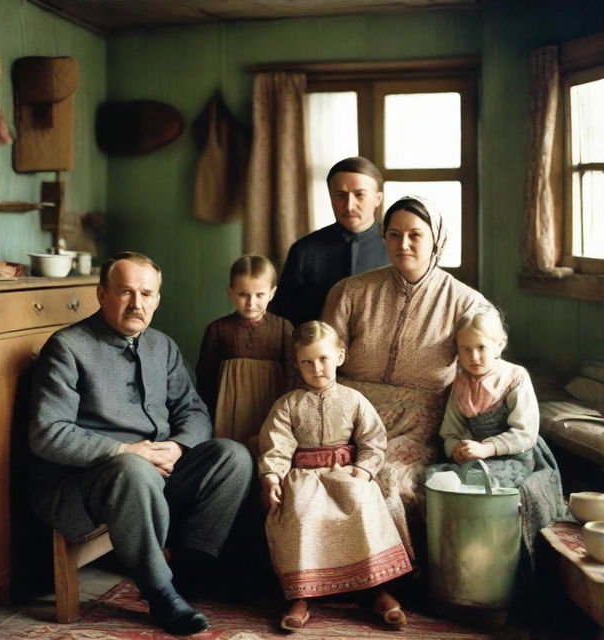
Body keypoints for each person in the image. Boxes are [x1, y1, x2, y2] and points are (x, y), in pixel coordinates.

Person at [28, 251, 253, 636]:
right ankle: (159, 593)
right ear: (101, 294)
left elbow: (194, 411)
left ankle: (190, 571)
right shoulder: (67, 347)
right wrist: (125, 451)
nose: (137, 304)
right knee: (134, 471)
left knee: (233, 456)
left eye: (147, 294)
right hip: (86, 484)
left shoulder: (161, 346)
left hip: (158, 470)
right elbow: (47, 433)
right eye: (125, 292)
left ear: (157, 299)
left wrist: (179, 447)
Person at [321, 196, 491, 558]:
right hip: (347, 415)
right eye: (394, 234)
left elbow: (482, 372)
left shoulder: (466, 304)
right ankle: (324, 575)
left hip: (416, 423)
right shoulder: (350, 292)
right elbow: (320, 360)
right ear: (383, 237)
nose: (404, 244)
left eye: (415, 235)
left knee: (386, 479)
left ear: (437, 240)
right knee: (315, 472)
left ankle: (389, 579)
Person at [258, 321, 412, 631]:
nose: (317, 368)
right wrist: (272, 477)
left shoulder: (354, 400)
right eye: (307, 362)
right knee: (300, 512)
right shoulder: (288, 404)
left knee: (361, 500)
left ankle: (375, 590)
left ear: (339, 356)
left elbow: (373, 440)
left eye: (324, 358)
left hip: (346, 473)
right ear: (298, 363)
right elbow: (276, 445)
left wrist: (365, 468)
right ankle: (300, 596)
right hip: (305, 476)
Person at [428, 311, 566, 565]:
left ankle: (493, 556)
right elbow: (449, 431)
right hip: (479, 456)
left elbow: (525, 432)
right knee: (434, 479)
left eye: (481, 347)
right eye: (465, 349)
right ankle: (458, 557)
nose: (474, 356)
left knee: (482, 483)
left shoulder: (515, 377)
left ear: (499, 346)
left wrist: (487, 449)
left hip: (518, 454)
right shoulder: (460, 384)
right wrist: (456, 447)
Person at [270, 156, 389, 326]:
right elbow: (285, 317)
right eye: (340, 195)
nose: (349, 206)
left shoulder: (397, 246)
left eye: (359, 195)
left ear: (378, 198)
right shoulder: (304, 250)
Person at [196, 254, 294, 454]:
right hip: (229, 412)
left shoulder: (283, 328)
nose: (251, 303)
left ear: (272, 293)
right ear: (230, 293)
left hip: (271, 406)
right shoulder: (218, 329)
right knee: (232, 454)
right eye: (243, 294)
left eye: (259, 295)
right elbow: (205, 376)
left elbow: (293, 372)